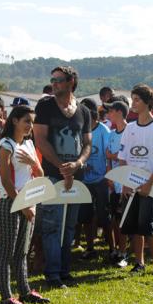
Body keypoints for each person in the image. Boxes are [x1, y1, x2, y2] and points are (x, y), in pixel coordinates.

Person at [33, 66, 92, 289]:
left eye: (58, 80)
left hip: (77, 177)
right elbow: (40, 139)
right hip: (52, 176)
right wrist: (61, 166)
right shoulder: (46, 106)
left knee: (69, 226)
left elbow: (87, 143)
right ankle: (53, 273)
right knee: (51, 226)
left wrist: (77, 164)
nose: (54, 83)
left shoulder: (84, 111)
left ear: (71, 82)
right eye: (52, 79)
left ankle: (65, 271)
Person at [0, 105, 49, 304]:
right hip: (10, 202)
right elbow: (6, 180)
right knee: (7, 252)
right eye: (26, 121)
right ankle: (6, 297)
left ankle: (25, 291)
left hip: (28, 202)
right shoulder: (6, 145)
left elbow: (40, 175)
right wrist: (23, 204)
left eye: (32, 122)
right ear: (15, 121)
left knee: (23, 251)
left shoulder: (28, 144)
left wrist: (34, 163)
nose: (30, 126)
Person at [118, 84, 153, 275]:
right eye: (132, 98)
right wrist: (125, 182)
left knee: (148, 224)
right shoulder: (129, 128)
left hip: (150, 184)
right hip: (131, 183)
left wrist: (149, 184)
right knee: (133, 225)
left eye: (137, 99)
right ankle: (139, 263)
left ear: (148, 103)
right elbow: (123, 157)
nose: (133, 102)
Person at [77, 98, 113, 261]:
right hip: (85, 180)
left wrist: (108, 175)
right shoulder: (80, 130)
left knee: (104, 215)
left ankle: (112, 248)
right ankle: (90, 248)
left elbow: (109, 155)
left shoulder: (104, 130)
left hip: (101, 180)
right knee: (86, 216)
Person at [105, 100, 129, 267]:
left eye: (111, 111)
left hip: (126, 183)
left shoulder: (131, 131)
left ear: (119, 112)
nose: (108, 115)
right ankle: (116, 250)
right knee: (114, 219)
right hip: (114, 183)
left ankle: (124, 252)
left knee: (124, 220)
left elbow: (125, 157)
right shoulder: (112, 133)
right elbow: (108, 155)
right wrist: (110, 176)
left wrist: (114, 156)